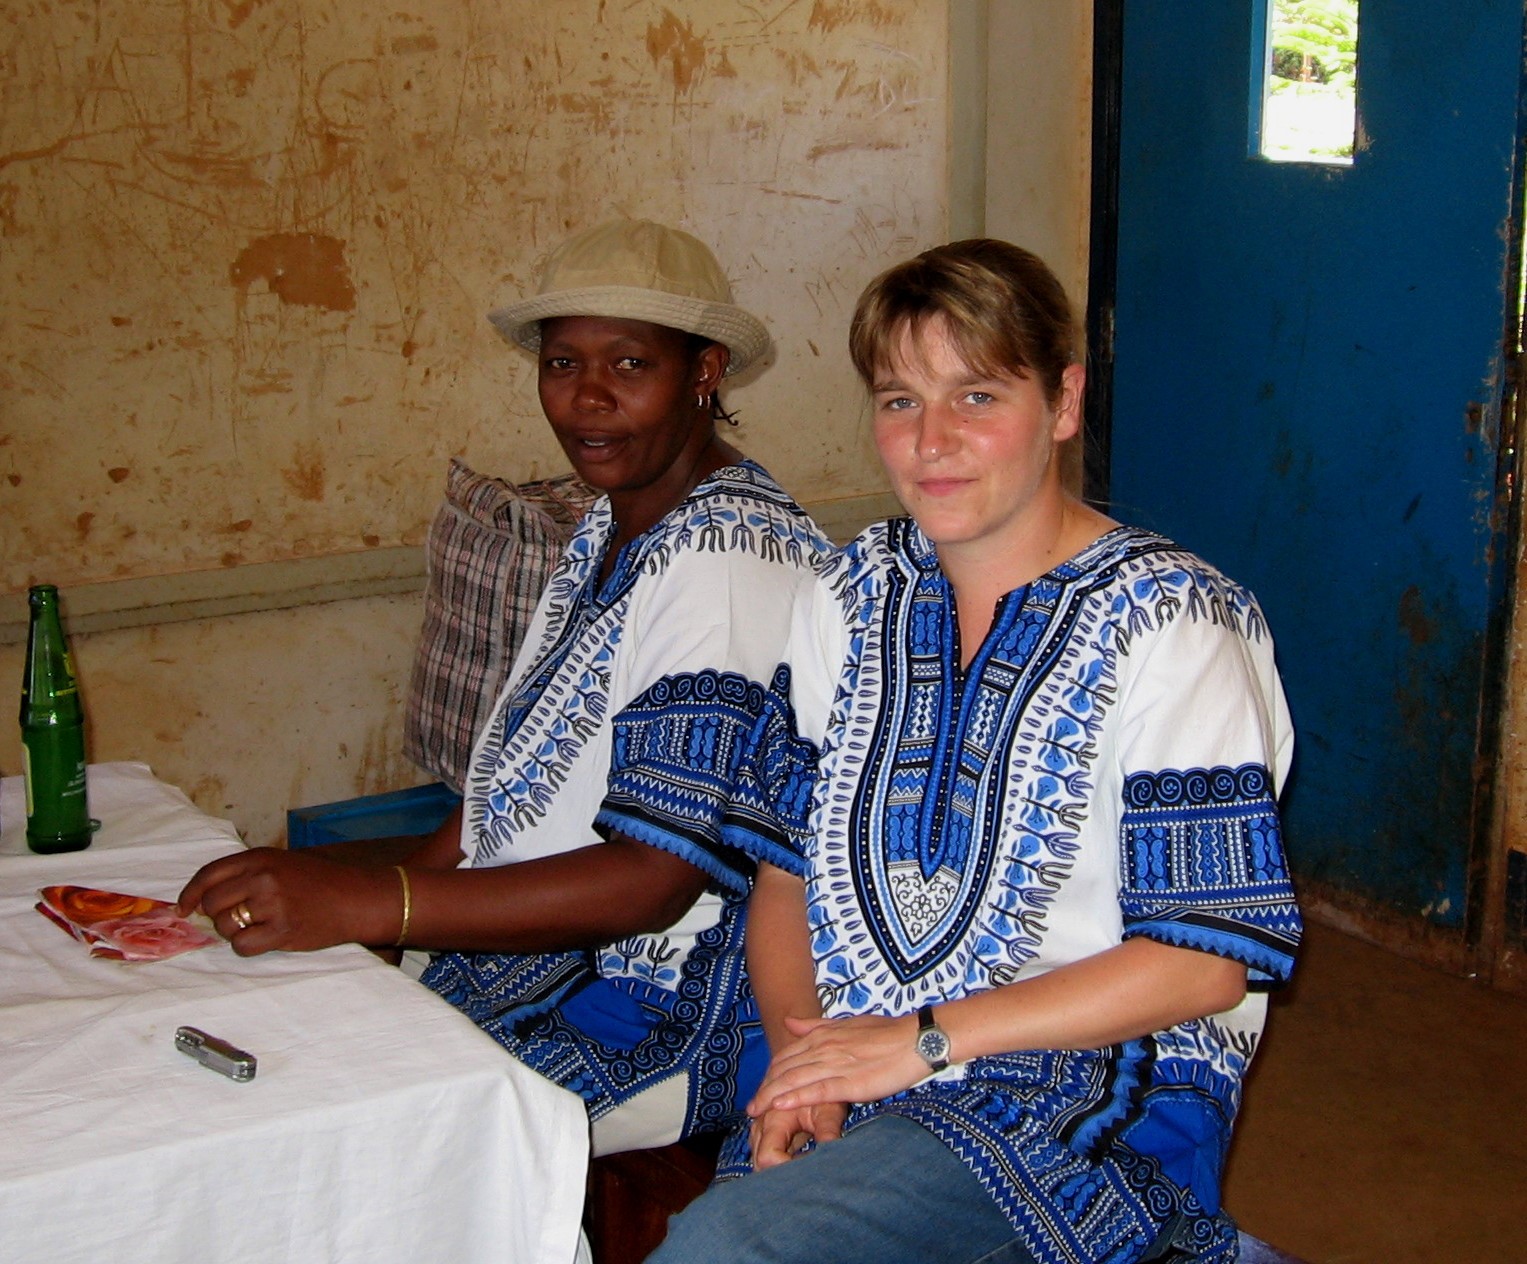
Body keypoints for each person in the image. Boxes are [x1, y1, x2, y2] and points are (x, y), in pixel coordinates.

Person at [650, 239, 1302, 1264]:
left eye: (979, 396)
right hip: (860, 1054)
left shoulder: (1177, 621)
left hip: (1092, 1079)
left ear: (1065, 402)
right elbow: (785, 863)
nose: (933, 441)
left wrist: (921, 1042)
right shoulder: (851, 591)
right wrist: (806, 1056)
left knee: (725, 1246)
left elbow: (1207, 960)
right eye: (900, 401)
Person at [178, 218, 836, 1156]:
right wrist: (356, 893)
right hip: (535, 951)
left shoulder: (726, 562)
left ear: (704, 372)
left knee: (330, 1132)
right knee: (259, 1034)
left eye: (629, 365)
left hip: (652, 1001)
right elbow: (510, 793)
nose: (589, 400)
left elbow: (653, 883)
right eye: (563, 365)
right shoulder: (615, 523)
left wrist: (377, 904)